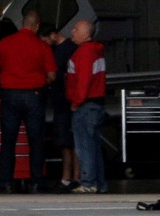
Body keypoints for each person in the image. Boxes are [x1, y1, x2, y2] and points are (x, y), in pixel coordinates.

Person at [0, 10, 56, 194]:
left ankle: (5, 183)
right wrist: (41, 85)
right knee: (36, 141)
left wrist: (5, 81)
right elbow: (52, 75)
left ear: (22, 23)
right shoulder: (42, 47)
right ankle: (36, 182)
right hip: (33, 96)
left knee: (8, 141)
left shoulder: (5, 43)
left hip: (9, 95)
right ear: (36, 26)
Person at [66, 20, 107, 194]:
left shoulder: (84, 52)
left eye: (76, 29)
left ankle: (89, 182)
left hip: (85, 105)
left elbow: (83, 81)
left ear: (86, 34)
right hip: (96, 104)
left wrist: (76, 102)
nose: (72, 32)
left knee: (84, 146)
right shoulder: (96, 51)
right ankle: (98, 183)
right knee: (93, 146)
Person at [39, 25, 80, 191]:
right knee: (65, 141)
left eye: (46, 40)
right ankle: (68, 177)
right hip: (61, 102)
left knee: (71, 141)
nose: (45, 44)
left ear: (53, 35)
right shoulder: (62, 50)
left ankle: (73, 177)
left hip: (67, 101)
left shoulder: (68, 49)